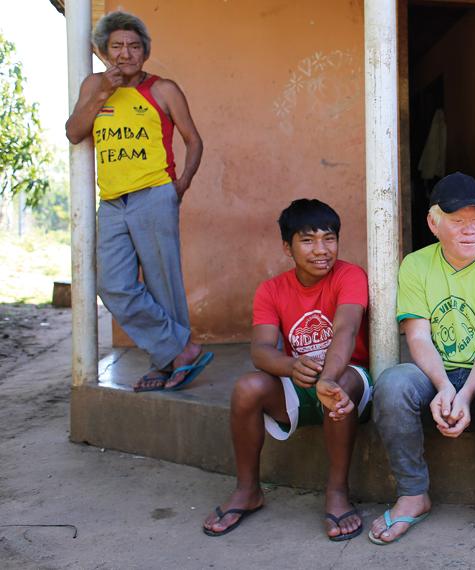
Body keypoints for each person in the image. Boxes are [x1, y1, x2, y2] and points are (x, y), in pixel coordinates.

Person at [370, 172, 475, 547]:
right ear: (434, 223)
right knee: (393, 383)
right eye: (457, 221)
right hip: (435, 375)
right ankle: (414, 494)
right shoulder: (415, 265)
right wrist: (445, 386)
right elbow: (418, 336)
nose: (469, 230)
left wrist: (464, 396)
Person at [201, 199, 372, 540]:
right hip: (300, 379)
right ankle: (248, 490)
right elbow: (261, 350)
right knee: (247, 387)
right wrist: (292, 366)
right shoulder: (271, 290)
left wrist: (327, 378)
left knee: (344, 382)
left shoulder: (350, 275)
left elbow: (346, 330)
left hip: (349, 378)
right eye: (308, 240)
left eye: (329, 238)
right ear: (287, 247)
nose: (321, 250)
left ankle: (337, 492)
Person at [65, 11, 209, 391]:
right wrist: (101, 94)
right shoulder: (94, 85)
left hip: (154, 194)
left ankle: (165, 363)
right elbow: (74, 132)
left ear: (145, 52)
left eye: (133, 46)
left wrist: (182, 184)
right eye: (117, 47)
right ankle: (180, 350)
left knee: (164, 284)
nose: (125, 53)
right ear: (104, 52)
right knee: (112, 284)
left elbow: (194, 139)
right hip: (112, 201)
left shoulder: (163, 89)